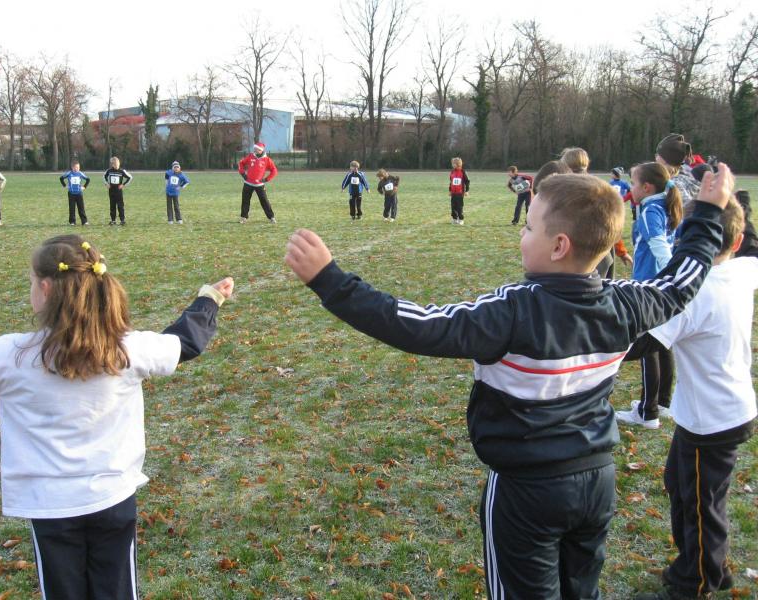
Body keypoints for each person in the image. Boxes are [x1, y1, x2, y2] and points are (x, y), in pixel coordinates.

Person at [285, 166, 733, 600]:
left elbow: (420, 326)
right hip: (597, 483)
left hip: (526, 492)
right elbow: (682, 281)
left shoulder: (512, 311)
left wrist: (331, 281)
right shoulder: (627, 304)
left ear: (558, 246)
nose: (522, 233)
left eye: (529, 227)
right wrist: (710, 214)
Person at [0, 234, 234, 599]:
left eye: (31, 281)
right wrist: (208, 299)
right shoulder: (127, 349)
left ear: (45, 288)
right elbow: (184, 342)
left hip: (52, 504)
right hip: (112, 497)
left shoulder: (10, 355)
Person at [628, 199, 756, 600]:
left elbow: (639, 343)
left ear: (683, 239)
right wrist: (735, 200)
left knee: (700, 503)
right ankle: (708, 565)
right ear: (735, 242)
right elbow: (751, 244)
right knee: (684, 487)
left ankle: (696, 583)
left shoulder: (695, 295)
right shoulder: (742, 269)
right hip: (715, 411)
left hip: (712, 419)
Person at [615, 161, 684, 430]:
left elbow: (659, 246)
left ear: (646, 187)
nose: (630, 188)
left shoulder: (650, 210)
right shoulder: (667, 205)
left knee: (647, 347)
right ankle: (663, 402)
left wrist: (669, 277)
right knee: (663, 343)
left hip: (649, 287)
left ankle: (648, 412)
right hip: (660, 286)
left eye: (633, 183)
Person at [238, 142, 278, 224]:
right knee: (245, 201)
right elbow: (241, 163)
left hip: (259, 185)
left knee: (264, 201)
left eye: (257, 149)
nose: (255, 150)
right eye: (254, 149)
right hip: (248, 183)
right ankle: (243, 217)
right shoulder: (250, 156)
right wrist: (243, 174)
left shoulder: (267, 160)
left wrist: (266, 179)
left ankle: (271, 217)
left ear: (261, 150)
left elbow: (274, 170)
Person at [655, 133, 698, 205]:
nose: (656, 157)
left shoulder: (675, 185)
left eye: (658, 155)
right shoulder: (685, 178)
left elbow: (686, 209)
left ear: (665, 159)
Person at [59, 160, 91, 226]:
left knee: (81, 208)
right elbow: (61, 178)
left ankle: (84, 221)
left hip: (79, 193)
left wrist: (84, 187)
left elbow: (88, 179)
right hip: (71, 194)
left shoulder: (80, 173)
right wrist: (65, 185)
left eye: (78, 167)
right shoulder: (69, 173)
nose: (76, 169)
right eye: (75, 167)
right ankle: (72, 222)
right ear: (72, 167)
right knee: (72, 208)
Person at [103, 156, 133, 226]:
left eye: (117, 164)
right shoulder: (109, 171)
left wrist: (123, 184)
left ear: (119, 163)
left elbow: (130, 177)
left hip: (118, 191)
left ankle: (122, 220)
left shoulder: (122, 171)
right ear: (112, 165)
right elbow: (104, 177)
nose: (116, 165)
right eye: (115, 164)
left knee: (120, 206)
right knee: (112, 206)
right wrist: (106, 184)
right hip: (111, 191)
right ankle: (113, 220)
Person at [448, 157, 470, 225]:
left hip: (460, 193)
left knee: (459, 206)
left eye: (453, 163)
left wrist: (467, 191)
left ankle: (461, 219)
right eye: (452, 163)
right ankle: (454, 219)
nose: (452, 165)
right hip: (453, 193)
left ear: (458, 164)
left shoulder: (463, 172)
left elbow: (467, 181)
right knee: (453, 206)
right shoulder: (452, 172)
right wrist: (450, 190)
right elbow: (451, 182)